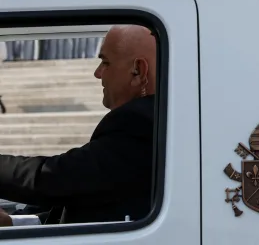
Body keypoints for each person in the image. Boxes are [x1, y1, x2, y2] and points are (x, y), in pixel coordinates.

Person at [0, 25, 156, 226]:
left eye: (105, 62)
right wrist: (13, 222)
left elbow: (54, 178)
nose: (97, 73)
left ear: (138, 71)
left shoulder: (140, 122)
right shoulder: (150, 119)